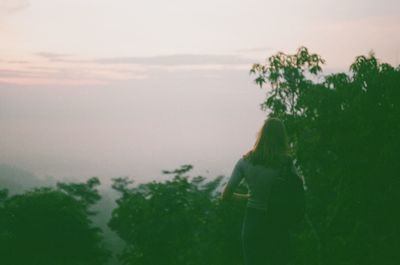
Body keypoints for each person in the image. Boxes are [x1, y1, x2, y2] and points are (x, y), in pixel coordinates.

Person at [221, 117, 299, 265]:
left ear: (261, 135)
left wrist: (246, 197)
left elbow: (226, 196)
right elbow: (298, 189)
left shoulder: (245, 162)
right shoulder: (286, 163)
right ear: (282, 137)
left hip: (253, 223)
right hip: (278, 225)